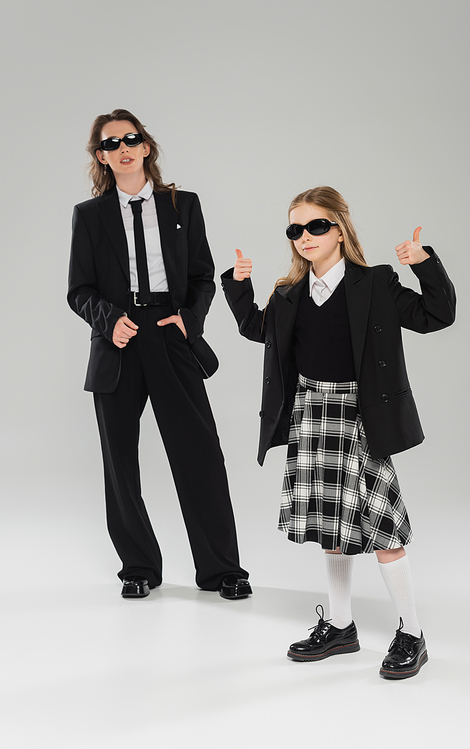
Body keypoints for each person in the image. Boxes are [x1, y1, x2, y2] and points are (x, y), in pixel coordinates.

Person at [221, 186, 455, 678]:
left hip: (361, 414)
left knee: (383, 527)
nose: (304, 237)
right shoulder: (288, 293)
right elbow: (256, 329)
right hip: (311, 412)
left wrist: (423, 262)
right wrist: (239, 285)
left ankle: (412, 632)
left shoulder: (376, 284)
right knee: (331, 525)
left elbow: (438, 316)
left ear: (340, 229)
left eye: (315, 226)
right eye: (295, 229)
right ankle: (342, 626)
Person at [68, 108, 251, 600]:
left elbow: (201, 275)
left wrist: (189, 320)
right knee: (119, 462)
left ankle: (223, 570)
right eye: (111, 144)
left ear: (146, 146)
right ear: (102, 158)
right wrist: (109, 321)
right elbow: (78, 290)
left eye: (131, 139)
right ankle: (138, 568)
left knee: (199, 455)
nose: (123, 148)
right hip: (118, 341)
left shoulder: (182, 205)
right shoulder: (89, 216)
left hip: (170, 333)